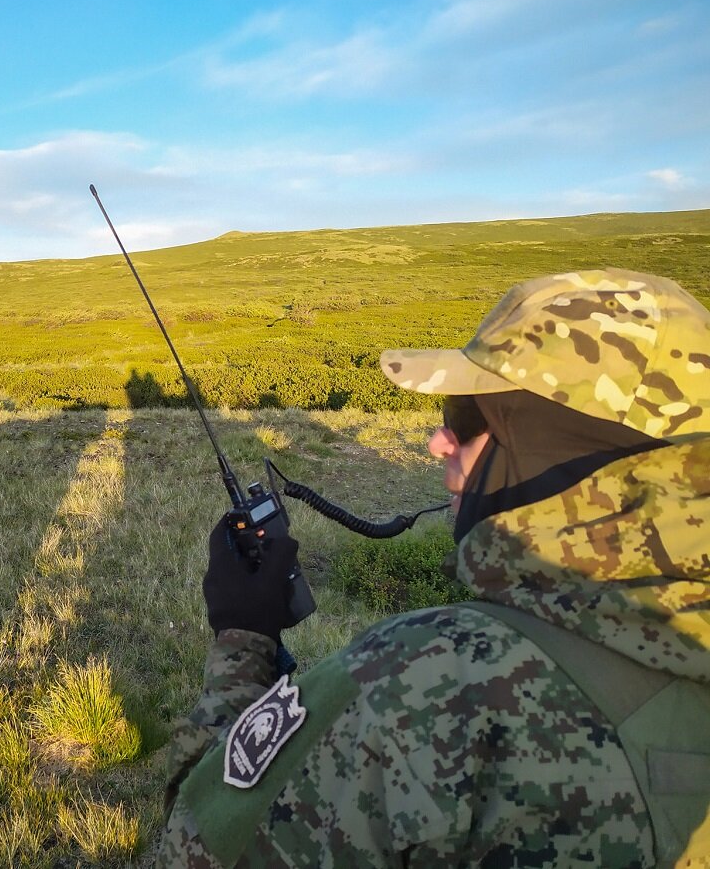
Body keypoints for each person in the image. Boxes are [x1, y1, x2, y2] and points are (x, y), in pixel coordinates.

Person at [158, 268, 710, 867]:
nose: (437, 442)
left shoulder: (427, 681)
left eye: (468, 416)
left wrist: (243, 639)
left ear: (549, 441)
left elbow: (199, 837)